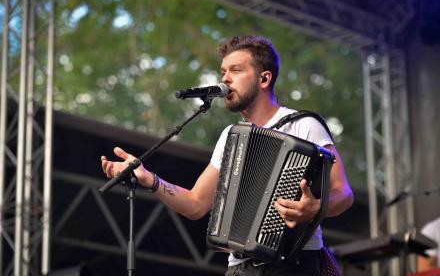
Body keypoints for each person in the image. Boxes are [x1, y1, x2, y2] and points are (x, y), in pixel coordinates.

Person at [101, 35, 353, 275]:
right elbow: (196, 204)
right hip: (240, 268)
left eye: (236, 70)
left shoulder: (303, 125)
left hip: (295, 266)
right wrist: (150, 180)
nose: (225, 79)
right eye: (223, 72)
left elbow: (343, 193)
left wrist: (316, 208)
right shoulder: (230, 137)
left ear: (264, 79)